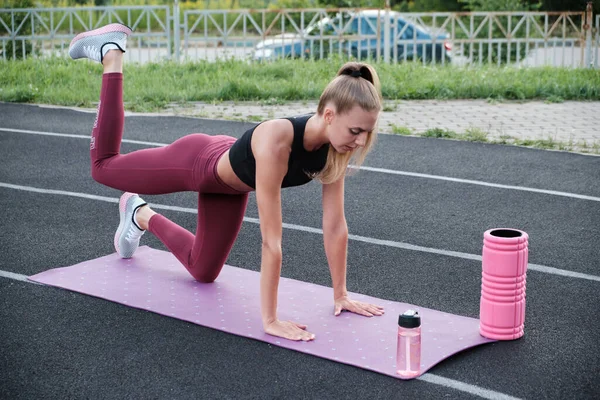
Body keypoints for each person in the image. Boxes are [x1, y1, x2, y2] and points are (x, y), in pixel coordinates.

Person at [69, 23, 385, 342]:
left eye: (367, 132)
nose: (360, 142)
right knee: (103, 166)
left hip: (231, 188)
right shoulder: (278, 141)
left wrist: (341, 295)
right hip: (198, 162)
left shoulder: (335, 149)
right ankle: (112, 53)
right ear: (329, 115)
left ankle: (139, 214)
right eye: (355, 131)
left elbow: (334, 225)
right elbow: (271, 240)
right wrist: (270, 318)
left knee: (203, 272)